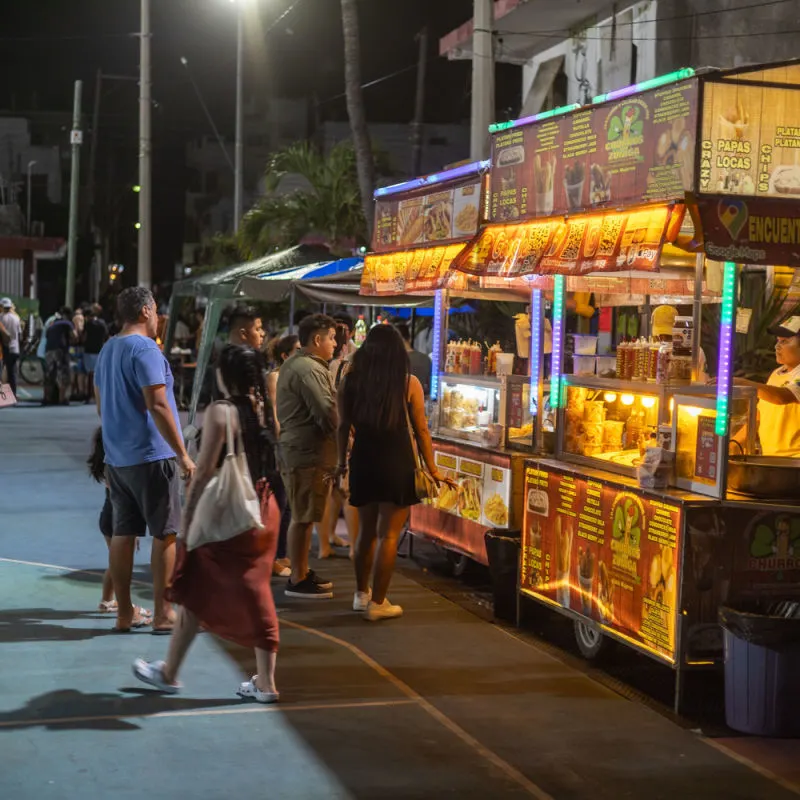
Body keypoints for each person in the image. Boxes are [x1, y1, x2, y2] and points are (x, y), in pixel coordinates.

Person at [132, 345, 282, 702]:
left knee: (195, 588)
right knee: (257, 590)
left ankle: (169, 672)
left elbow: (202, 474)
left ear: (223, 375)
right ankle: (266, 682)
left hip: (230, 514)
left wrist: (188, 518)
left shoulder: (221, 412)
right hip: (264, 507)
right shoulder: (262, 407)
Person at [94, 287, 196, 633]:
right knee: (165, 533)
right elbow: (158, 404)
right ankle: (164, 613)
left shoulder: (108, 349)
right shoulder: (145, 349)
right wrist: (182, 454)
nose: (158, 318)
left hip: (117, 458)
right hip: (153, 455)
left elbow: (101, 406)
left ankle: (124, 612)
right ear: (145, 312)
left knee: (123, 534)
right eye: (155, 311)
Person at [337, 325, 453, 621]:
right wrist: (433, 469)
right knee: (389, 535)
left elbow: (342, 427)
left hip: (363, 459)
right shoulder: (408, 383)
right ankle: (378, 602)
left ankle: (361, 595)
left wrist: (341, 464)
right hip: (396, 462)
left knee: (365, 532)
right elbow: (422, 430)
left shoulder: (350, 381)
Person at [276, 313, 338, 598]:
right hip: (306, 451)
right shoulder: (308, 369)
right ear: (317, 339)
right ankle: (298, 577)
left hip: (301, 450)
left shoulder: (299, 364)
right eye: (332, 338)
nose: (335, 344)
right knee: (302, 516)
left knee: (303, 515)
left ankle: (301, 570)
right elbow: (326, 411)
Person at [87, 427, 152, 619]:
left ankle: (107, 600)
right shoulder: (114, 466)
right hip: (116, 517)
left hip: (109, 517)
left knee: (115, 562)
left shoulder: (106, 464)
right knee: (121, 564)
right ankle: (122, 605)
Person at [733, 314, 800, 457]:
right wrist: (734, 443)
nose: (777, 347)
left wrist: (742, 382)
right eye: (777, 341)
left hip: (795, 460)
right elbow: (759, 415)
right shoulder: (777, 373)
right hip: (771, 457)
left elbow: (782, 397)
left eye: (785, 341)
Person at [266, 334, 301, 577]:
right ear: (285, 355)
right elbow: (275, 413)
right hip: (282, 445)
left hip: (295, 444)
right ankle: (273, 557)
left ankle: (282, 553)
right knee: (279, 500)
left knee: (288, 502)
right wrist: (282, 444)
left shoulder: (297, 376)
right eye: (298, 349)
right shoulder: (275, 376)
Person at [44, 307, 76, 405]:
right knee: (63, 374)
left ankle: (47, 398)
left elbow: (47, 335)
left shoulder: (52, 323)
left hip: (49, 350)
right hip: (60, 350)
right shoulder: (67, 323)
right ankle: (62, 399)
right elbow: (74, 336)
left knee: (49, 375)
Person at [395, 322, 433, 397]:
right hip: (421, 401)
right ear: (409, 339)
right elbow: (430, 387)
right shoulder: (425, 359)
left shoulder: (395, 360)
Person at [83, 304, 109, 404]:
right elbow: (106, 335)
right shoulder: (102, 323)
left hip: (88, 350)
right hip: (99, 350)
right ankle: (97, 395)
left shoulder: (88, 324)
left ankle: (88, 395)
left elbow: (84, 337)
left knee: (89, 374)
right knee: (98, 374)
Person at [0, 298, 21, 398]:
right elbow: (19, 333)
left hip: (5, 347)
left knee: (4, 371)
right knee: (12, 372)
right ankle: (13, 393)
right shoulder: (16, 318)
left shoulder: (1, 317)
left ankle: (4, 395)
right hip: (15, 347)